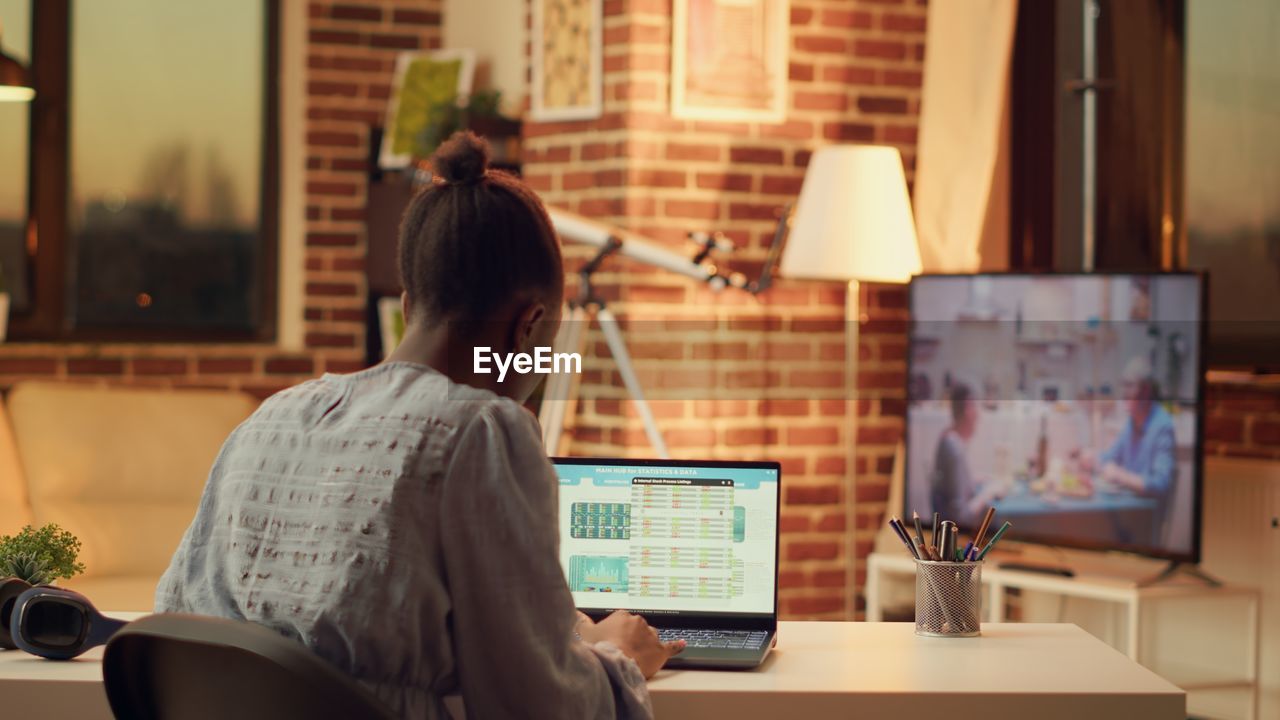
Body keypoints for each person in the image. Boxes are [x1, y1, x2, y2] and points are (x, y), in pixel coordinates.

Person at [155, 132, 682, 719]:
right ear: (527, 328)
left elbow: (181, 622)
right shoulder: (482, 431)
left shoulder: (269, 419)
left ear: (410, 305)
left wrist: (556, 629)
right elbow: (536, 708)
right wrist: (617, 655)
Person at [1081, 356, 1176, 504]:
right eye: (1122, 385)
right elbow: (1110, 458)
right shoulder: (1132, 423)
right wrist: (1092, 459)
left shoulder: (1162, 426)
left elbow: (1160, 484)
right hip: (1126, 508)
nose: (1123, 393)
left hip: (1146, 515)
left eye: (1129, 385)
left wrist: (1120, 475)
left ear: (1145, 390)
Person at [929, 382, 1002, 528]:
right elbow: (960, 516)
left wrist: (973, 479)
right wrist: (988, 493)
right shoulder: (955, 449)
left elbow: (951, 486)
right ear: (968, 408)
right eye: (976, 407)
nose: (978, 416)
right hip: (958, 538)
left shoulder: (947, 438)